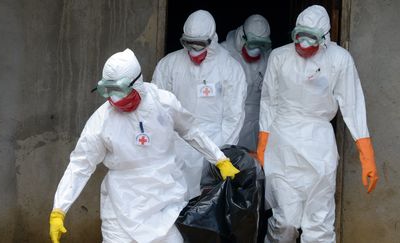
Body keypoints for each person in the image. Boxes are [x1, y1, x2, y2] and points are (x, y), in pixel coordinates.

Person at [49, 48, 240, 243]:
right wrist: (59, 209)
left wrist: (219, 159)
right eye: (109, 90)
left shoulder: (164, 103)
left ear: (137, 83)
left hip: (163, 204)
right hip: (120, 208)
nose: (114, 98)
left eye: (120, 90)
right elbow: (81, 165)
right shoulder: (101, 121)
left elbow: (191, 130)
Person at [255, 5, 379, 243]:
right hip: (282, 145)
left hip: (319, 145)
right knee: (285, 222)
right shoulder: (279, 56)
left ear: (324, 38)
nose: (302, 46)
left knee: (319, 223)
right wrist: (263, 144)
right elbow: (268, 101)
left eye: (310, 40)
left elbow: (353, 105)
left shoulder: (339, 59)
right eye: (298, 38)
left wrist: (367, 154)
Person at [152, 10, 247, 200]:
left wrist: (219, 156)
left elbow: (233, 117)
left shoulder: (230, 68)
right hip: (175, 148)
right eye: (189, 43)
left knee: (203, 207)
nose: (194, 50)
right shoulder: (169, 64)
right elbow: (157, 110)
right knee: (171, 205)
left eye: (200, 44)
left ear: (212, 40)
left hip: (212, 147)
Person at [221, 14, 272, 153]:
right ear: (241, 38)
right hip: (228, 119)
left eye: (261, 44)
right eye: (252, 43)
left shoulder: (269, 57)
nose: (256, 49)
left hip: (256, 123)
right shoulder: (223, 53)